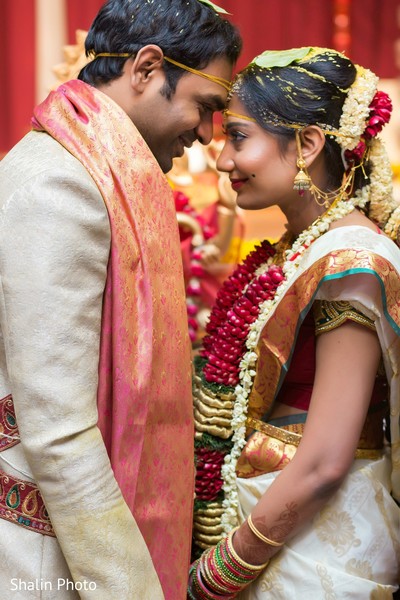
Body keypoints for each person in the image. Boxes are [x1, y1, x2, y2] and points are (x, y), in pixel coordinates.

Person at [0, 1, 241, 598]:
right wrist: (129, 588)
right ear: (147, 68)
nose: (206, 136)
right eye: (206, 107)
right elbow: (58, 430)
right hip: (44, 555)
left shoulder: (85, 167)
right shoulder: (63, 184)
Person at [189, 47, 400, 598]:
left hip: (315, 549)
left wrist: (227, 566)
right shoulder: (295, 249)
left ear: (306, 144)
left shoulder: (351, 261)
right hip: (281, 524)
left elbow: (328, 458)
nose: (223, 160)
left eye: (238, 137)